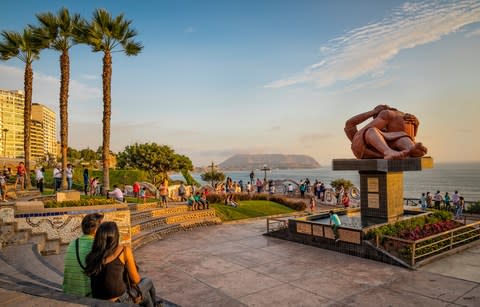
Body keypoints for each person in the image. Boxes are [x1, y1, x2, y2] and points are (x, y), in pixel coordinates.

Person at [84, 222, 157, 306]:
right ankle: (155, 304)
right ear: (115, 237)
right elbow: (136, 279)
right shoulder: (124, 250)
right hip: (119, 302)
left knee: (146, 296)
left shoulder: (91, 256)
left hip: (99, 302)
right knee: (148, 281)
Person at [344, 105, 428, 160]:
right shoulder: (359, 139)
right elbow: (349, 124)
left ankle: (410, 149)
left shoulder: (390, 133)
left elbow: (411, 136)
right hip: (383, 151)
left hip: (395, 149)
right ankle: (396, 151)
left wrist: (416, 124)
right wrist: (373, 112)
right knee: (371, 131)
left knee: (401, 137)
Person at [63, 213, 104, 297]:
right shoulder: (97, 246)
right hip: (87, 295)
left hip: (68, 292)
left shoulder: (72, 243)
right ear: (96, 230)